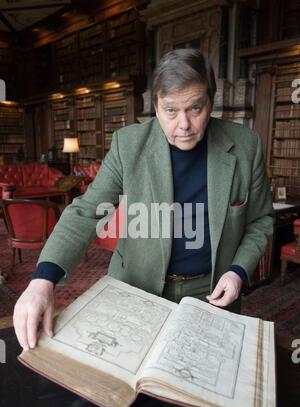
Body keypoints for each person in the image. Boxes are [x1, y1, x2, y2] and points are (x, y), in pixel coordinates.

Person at [14, 49, 274, 351]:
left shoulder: (246, 146)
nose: (184, 125)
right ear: (156, 106)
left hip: (213, 290)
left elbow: (260, 220)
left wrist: (238, 271)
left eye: (195, 109)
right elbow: (86, 212)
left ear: (211, 102)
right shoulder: (128, 144)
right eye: (171, 111)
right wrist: (42, 279)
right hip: (136, 287)